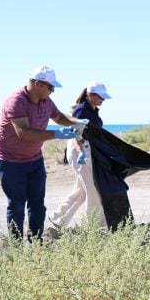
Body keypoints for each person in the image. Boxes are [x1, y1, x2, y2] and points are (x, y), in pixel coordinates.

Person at [0, 66, 86, 241]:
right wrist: (56, 134)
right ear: (37, 84)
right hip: (10, 160)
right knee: (17, 205)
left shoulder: (46, 101)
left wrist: (77, 122)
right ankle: (17, 245)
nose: (52, 91)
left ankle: (35, 241)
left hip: (34, 159)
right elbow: (24, 133)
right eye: (51, 87)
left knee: (37, 204)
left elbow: (59, 117)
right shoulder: (16, 101)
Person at [49, 82, 112, 229]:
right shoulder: (82, 110)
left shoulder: (93, 109)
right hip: (79, 149)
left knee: (82, 190)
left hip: (87, 149)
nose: (103, 100)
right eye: (100, 97)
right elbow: (76, 131)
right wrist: (81, 151)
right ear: (90, 95)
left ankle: (58, 218)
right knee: (92, 189)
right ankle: (97, 226)